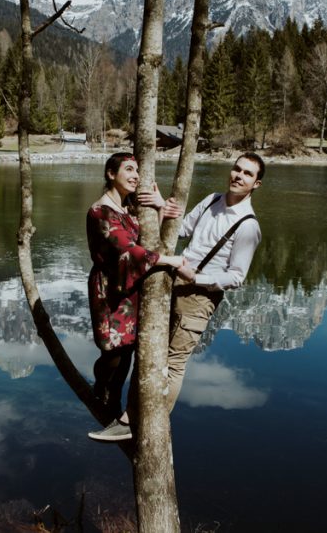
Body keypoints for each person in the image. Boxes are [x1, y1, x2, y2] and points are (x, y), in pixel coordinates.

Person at [88, 152, 264, 442]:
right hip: (171, 286)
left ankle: (139, 423)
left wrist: (197, 277)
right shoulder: (211, 200)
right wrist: (160, 205)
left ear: (256, 184)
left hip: (199, 297)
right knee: (150, 352)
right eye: (237, 169)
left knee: (174, 361)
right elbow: (180, 230)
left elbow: (236, 276)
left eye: (247, 174)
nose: (238, 176)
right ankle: (127, 415)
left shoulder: (248, 226)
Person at [86, 152, 185, 429]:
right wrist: (171, 261)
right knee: (112, 350)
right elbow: (129, 250)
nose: (135, 176)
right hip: (110, 291)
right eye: (128, 169)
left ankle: (113, 403)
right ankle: (102, 386)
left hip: (132, 289)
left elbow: (147, 237)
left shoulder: (128, 209)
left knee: (127, 350)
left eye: (138, 172)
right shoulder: (100, 212)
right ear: (110, 173)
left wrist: (161, 207)